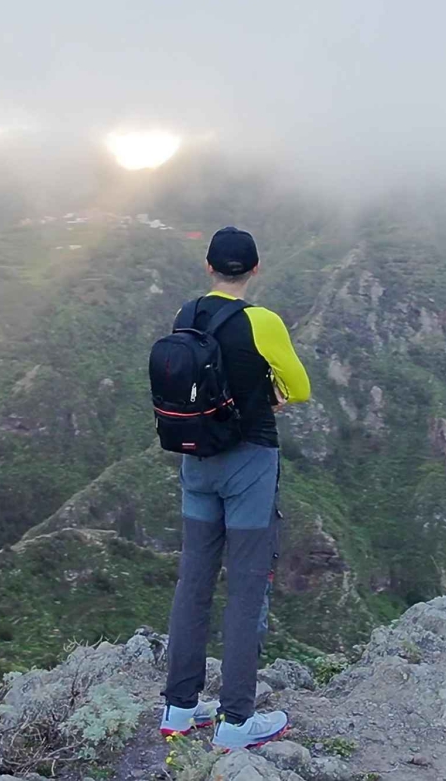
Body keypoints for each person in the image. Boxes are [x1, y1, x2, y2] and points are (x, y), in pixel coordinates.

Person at [159, 226, 312, 749]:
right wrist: (274, 397)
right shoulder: (262, 321)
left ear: (208, 266)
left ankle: (179, 709)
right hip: (248, 464)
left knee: (193, 584)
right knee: (246, 591)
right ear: (255, 269)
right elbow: (301, 386)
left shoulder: (185, 314)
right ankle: (236, 721)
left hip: (196, 461)